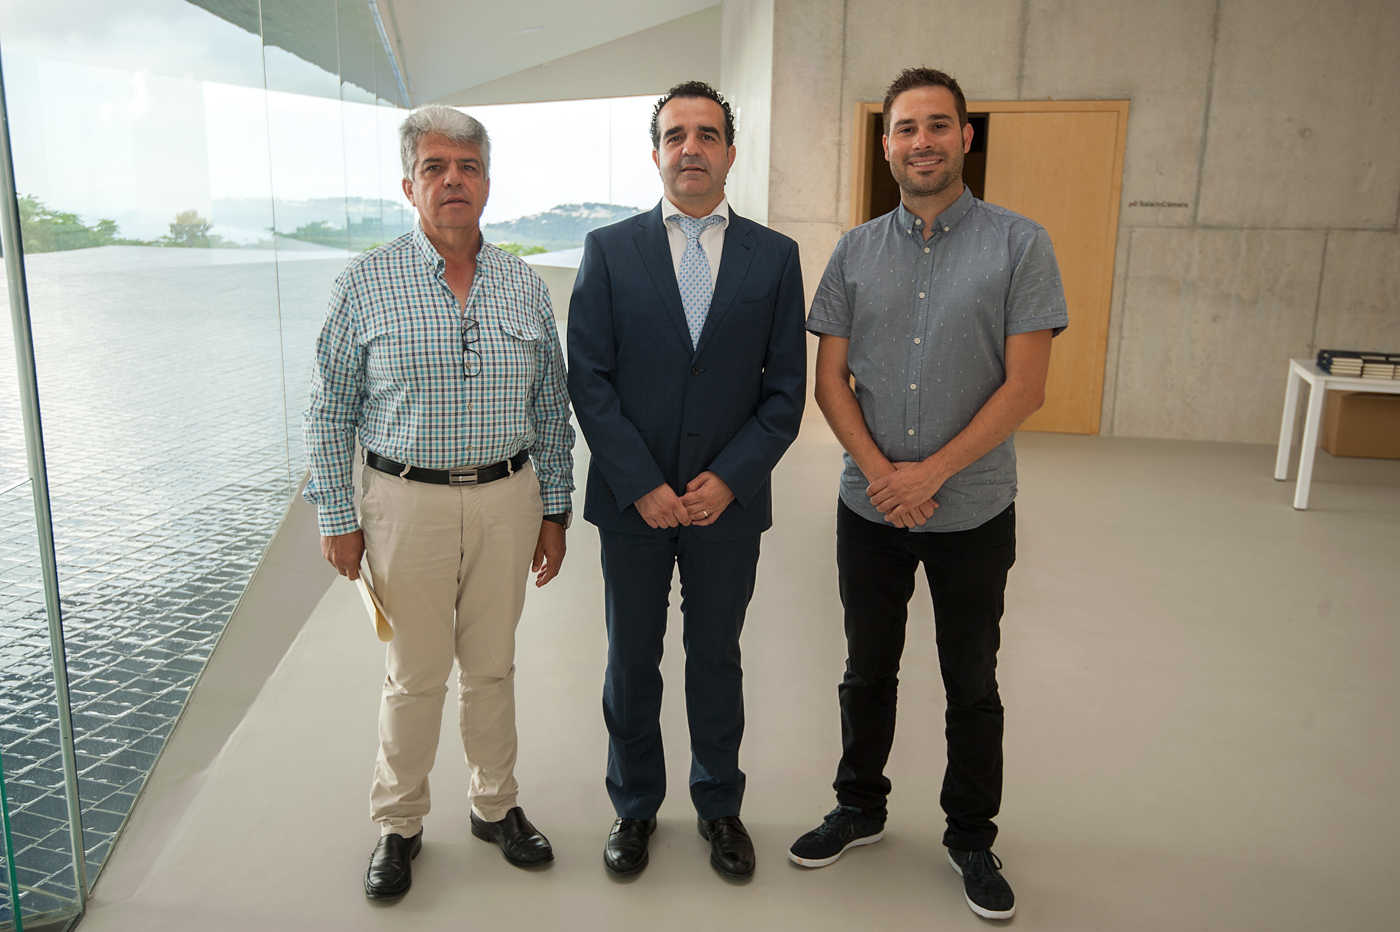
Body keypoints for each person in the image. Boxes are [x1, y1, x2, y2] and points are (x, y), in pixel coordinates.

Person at [789, 67, 1067, 921]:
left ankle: (971, 836)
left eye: (939, 125)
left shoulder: (1022, 245)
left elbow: (1026, 387)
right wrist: (882, 474)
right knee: (866, 668)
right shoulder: (854, 251)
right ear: (886, 145)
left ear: (965, 137)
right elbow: (830, 380)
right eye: (906, 128)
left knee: (970, 677)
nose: (923, 142)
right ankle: (859, 806)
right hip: (868, 509)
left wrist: (929, 474)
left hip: (973, 508)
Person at [303, 105, 575, 901]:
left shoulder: (525, 285)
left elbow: (552, 407)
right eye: (435, 167)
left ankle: (495, 806)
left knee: (492, 667)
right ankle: (399, 823)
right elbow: (329, 409)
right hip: (403, 504)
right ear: (408, 185)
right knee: (414, 674)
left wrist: (554, 510)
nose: (453, 179)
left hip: (507, 500)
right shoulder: (363, 283)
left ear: (487, 182)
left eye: (467, 166)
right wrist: (336, 515)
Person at [567, 80, 805, 879]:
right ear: (658, 152)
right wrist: (640, 481)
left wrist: (729, 480)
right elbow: (589, 380)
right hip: (634, 506)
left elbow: (784, 393)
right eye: (676, 135)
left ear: (731, 152)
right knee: (631, 659)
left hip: (726, 511)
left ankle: (719, 806)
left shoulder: (775, 258)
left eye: (707, 135)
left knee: (716, 657)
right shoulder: (609, 250)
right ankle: (634, 808)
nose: (692, 148)